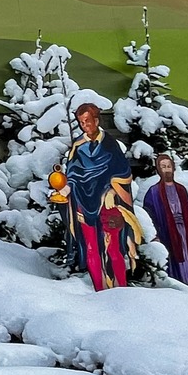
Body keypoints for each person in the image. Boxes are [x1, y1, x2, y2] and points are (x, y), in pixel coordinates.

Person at [62, 103, 139, 291]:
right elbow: (72, 174)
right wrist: (66, 188)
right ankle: (100, 291)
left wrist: (112, 192)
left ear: (96, 120)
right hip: (83, 203)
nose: (84, 125)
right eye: (81, 122)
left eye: (87, 120)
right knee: (91, 249)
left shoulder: (109, 145)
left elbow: (123, 173)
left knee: (113, 249)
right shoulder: (78, 147)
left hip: (109, 205)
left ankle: (121, 289)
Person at [143, 151, 188, 288]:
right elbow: (149, 216)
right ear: (159, 170)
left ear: (173, 168)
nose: (167, 169)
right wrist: (155, 236)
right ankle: (178, 289)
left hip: (186, 231)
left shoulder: (181, 189)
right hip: (167, 234)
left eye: (168, 166)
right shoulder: (153, 192)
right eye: (163, 166)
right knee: (173, 262)